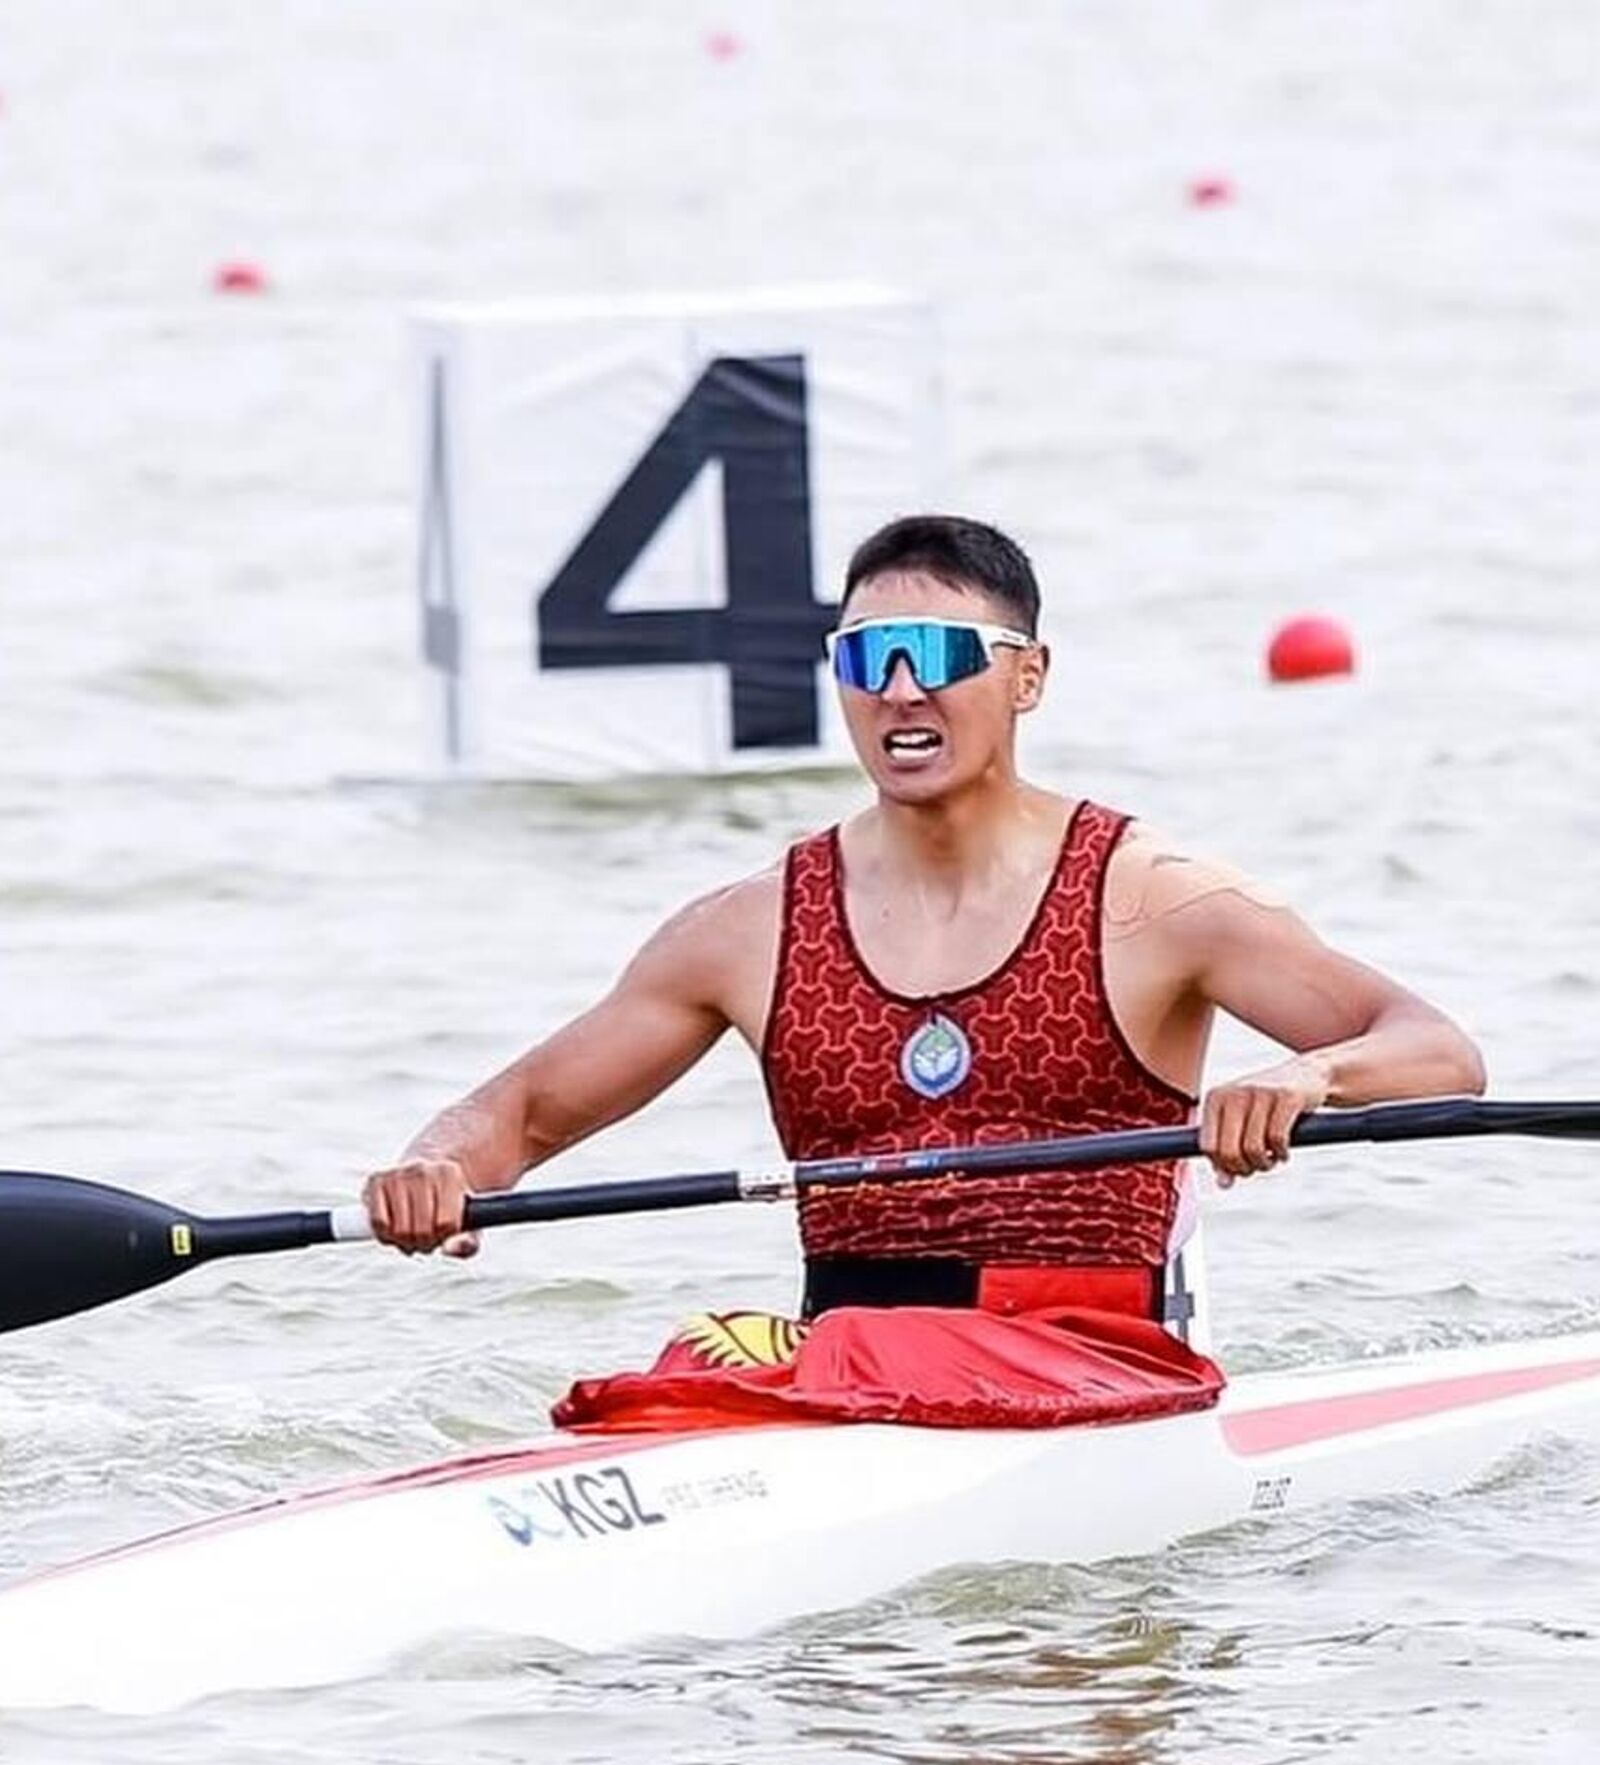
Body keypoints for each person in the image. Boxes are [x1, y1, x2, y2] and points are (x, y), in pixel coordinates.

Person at [364, 514, 1484, 1330]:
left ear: (1029, 678)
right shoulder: (746, 930)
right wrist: (437, 1166)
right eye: (865, 657)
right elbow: (519, 1117)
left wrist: (1309, 1078)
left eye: (941, 654)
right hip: (849, 1364)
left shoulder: (1154, 901)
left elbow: (1440, 1053)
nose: (900, 688)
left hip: (1098, 1360)